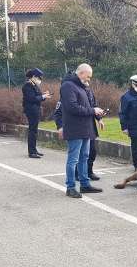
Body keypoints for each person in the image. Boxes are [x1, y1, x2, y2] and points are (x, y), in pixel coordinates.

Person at [60, 64, 105, 198]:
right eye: (88, 76)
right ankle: (71, 187)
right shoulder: (68, 86)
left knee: (84, 157)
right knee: (73, 159)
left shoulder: (83, 87)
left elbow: (89, 104)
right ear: (81, 73)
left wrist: (97, 114)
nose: (89, 79)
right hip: (75, 129)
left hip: (86, 128)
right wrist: (92, 110)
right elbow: (72, 107)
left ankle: (85, 184)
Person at [22, 68, 51, 158]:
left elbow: (38, 96)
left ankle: (34, 150)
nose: (40, 80)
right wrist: (42, 96)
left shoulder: (34, 85)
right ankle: (31, 152)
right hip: (31, 110)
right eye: (39, 78)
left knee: (34, 131)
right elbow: (32, 99)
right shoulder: (27, 86)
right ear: (34, 76)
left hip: (35, 110)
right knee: (32, 131)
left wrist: (44, 95)